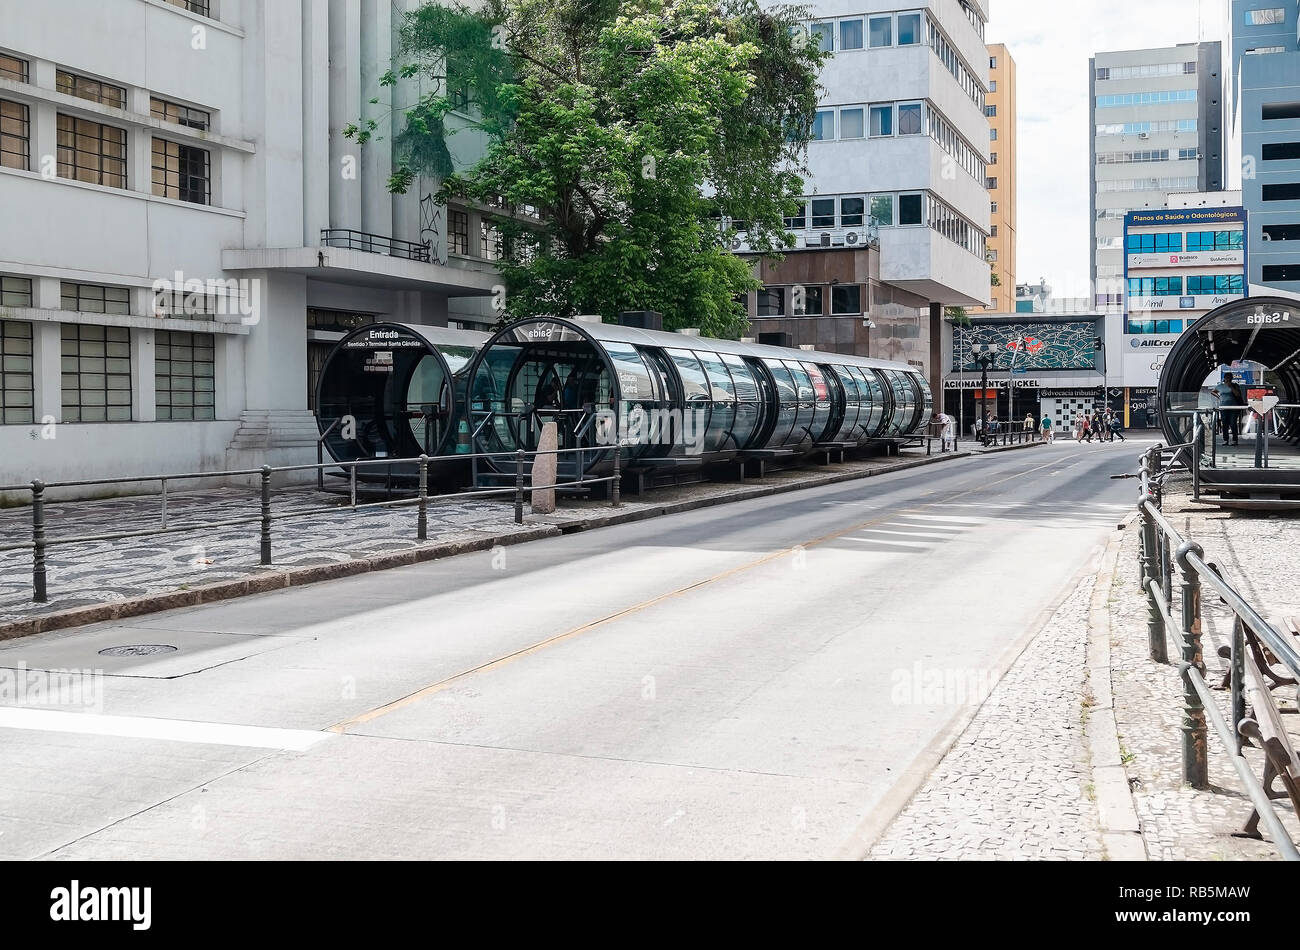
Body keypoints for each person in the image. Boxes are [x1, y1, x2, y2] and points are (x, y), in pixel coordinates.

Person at [1212, 372, 1245, 446]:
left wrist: (1231, 387)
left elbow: (1237, 394)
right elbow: (1213, 392)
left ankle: (1234, 440)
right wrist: (1219, 397)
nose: (1228, 379)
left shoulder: (1235, 385)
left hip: (1233, 407)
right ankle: (1226, 440)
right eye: (1227, 378)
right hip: (1223, 407)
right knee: (1225, 424)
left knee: (1233, 423)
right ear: (1224, 378)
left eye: (1229, 378)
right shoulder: (1220, 386)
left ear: (1231, 378)